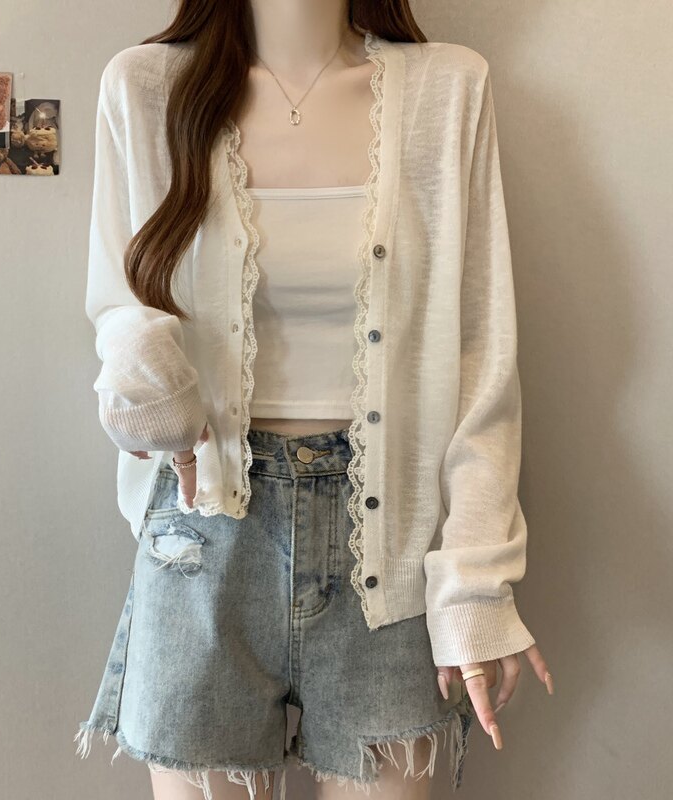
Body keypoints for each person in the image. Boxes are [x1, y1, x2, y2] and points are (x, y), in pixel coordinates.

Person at [74, 2, 554, 798]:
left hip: (392, 543)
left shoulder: (448, 90)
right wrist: (151, 387)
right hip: (204, 536)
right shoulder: (145, 87)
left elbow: (481, 362)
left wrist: (476, 583)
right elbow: (118, 305)